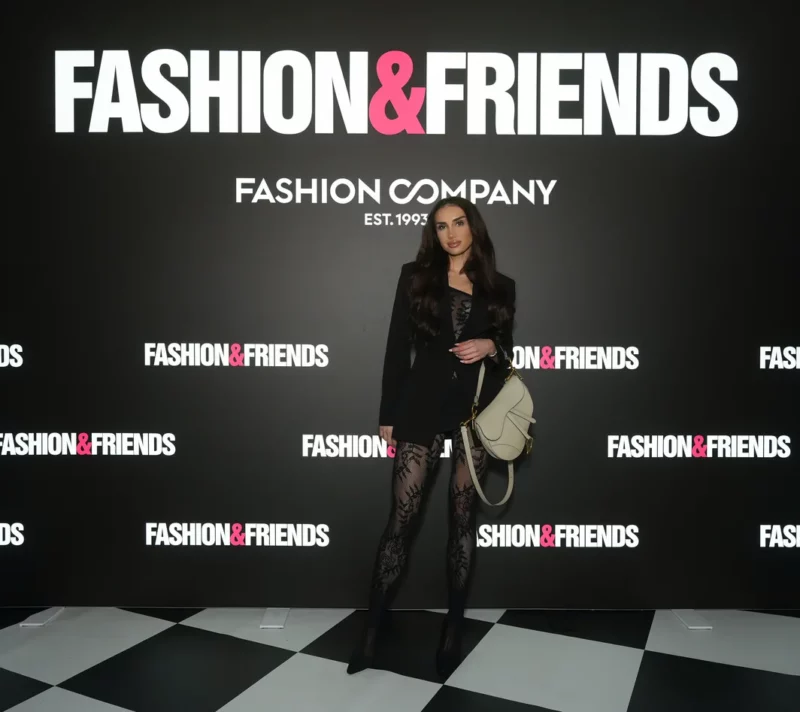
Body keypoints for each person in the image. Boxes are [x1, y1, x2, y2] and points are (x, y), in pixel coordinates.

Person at [347, 196, 516, 678]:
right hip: (421, 406)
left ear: (473, 227)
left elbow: (506, 357)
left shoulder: (501, 287)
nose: (451, 234)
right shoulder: (415, 276)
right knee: (400, 521)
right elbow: (396, 346)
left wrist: (491, 344)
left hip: (475, 412)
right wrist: (388, 413)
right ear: (433, 234)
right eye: (441, 227)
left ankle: (453, 629)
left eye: (459, 223)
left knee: (462, 521)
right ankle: (371, 632)